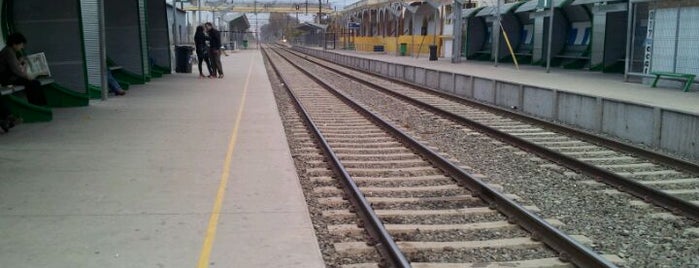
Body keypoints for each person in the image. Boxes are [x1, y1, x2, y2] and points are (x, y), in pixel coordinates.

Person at [0, 32, 47, 106]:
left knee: (34, 83)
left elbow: (13, 66)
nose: (22, 47)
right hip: (7, 79)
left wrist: (20, 62)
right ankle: (37, 105)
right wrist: (27, 76)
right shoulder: (9, 52)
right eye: (21, 45)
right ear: (14, 44)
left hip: (10, 77)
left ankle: (39, 104)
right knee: (33, 83)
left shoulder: (9, 50)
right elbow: (15, 69)